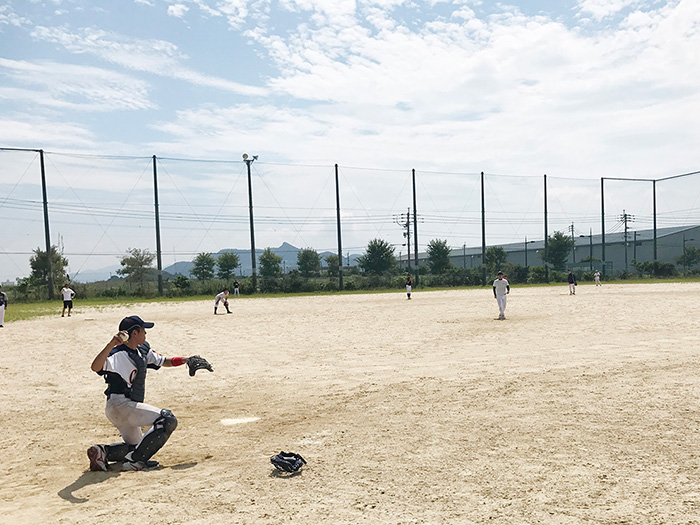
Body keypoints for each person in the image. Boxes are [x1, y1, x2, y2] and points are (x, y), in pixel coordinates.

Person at [87, 315, 191, 472]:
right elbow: (95, 367)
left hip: (124, 407)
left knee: (136, 447)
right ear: (134, 333)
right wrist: (111, 344)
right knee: (167, 419)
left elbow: (163, 361)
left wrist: (185, 359)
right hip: (121, 405)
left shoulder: (142, 350)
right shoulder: (118, 353)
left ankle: (103, 452)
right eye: (143, 330)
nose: (146, 334)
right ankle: (135, 462)